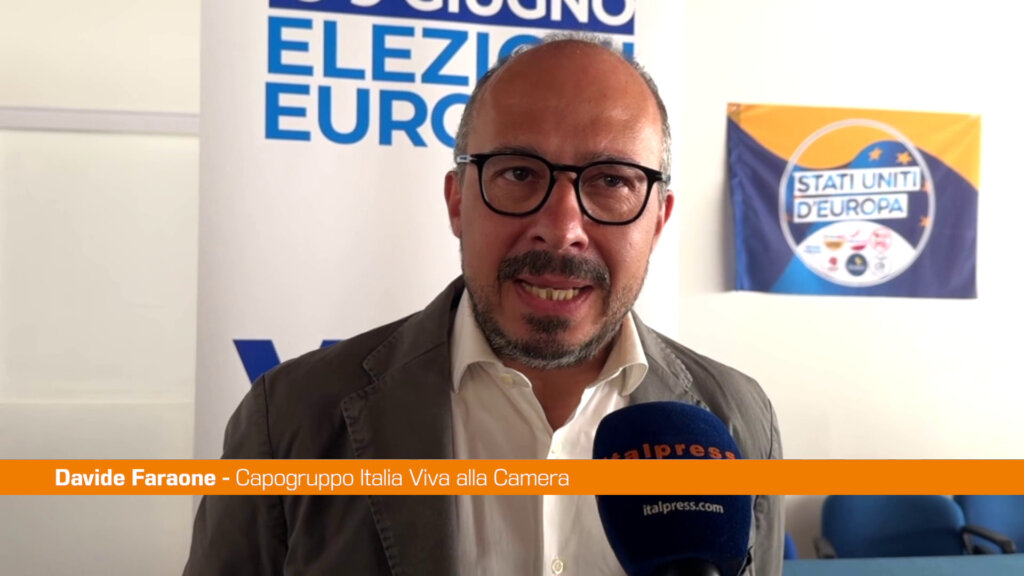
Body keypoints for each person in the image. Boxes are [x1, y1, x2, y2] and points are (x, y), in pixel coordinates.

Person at [184, 33, 783, 576]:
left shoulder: (738, 417)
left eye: (611, 180)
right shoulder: (289, 419)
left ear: (657, 221)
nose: (562, 228)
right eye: (519, 173)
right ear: (457, 202)